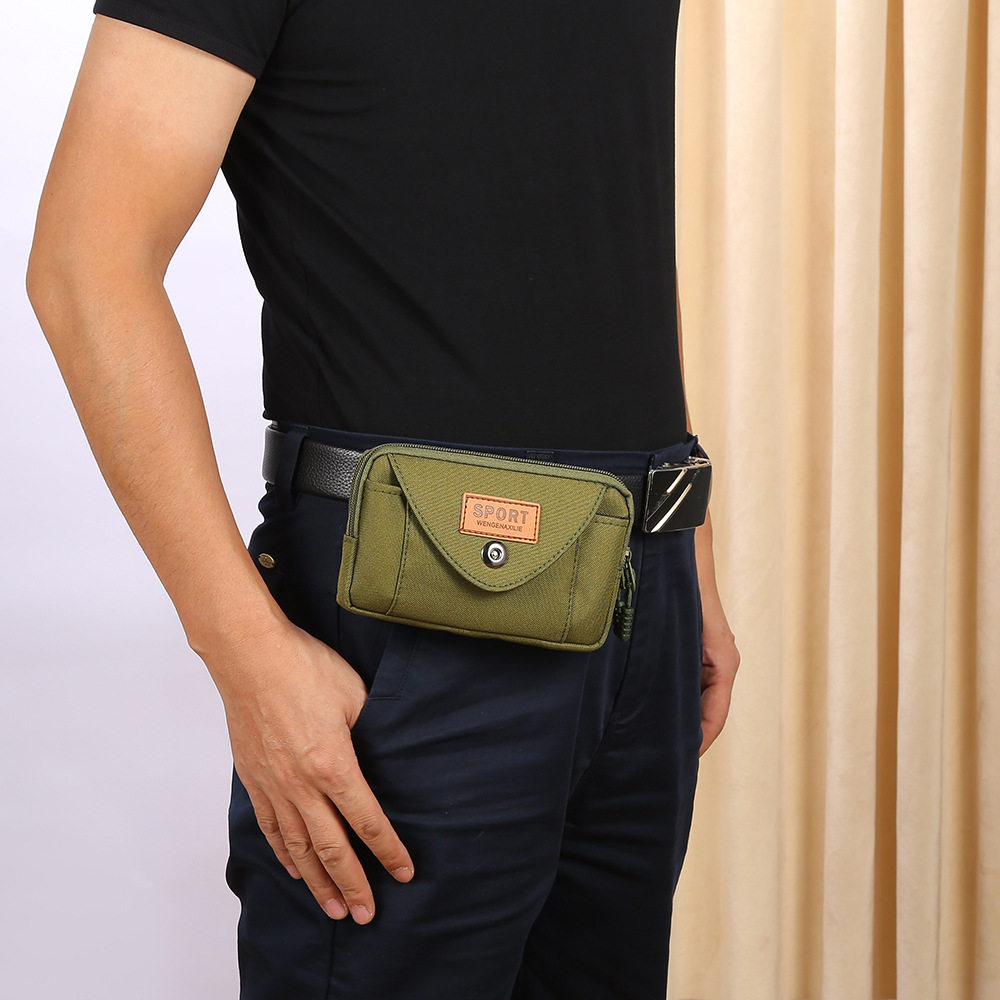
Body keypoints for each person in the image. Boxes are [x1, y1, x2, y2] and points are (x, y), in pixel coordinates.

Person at [26, 2, 740, 997]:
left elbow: (599, 214)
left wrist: (681, 536)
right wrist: (246, 656)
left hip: (639, 575)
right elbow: (83, 262)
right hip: (413, 590)